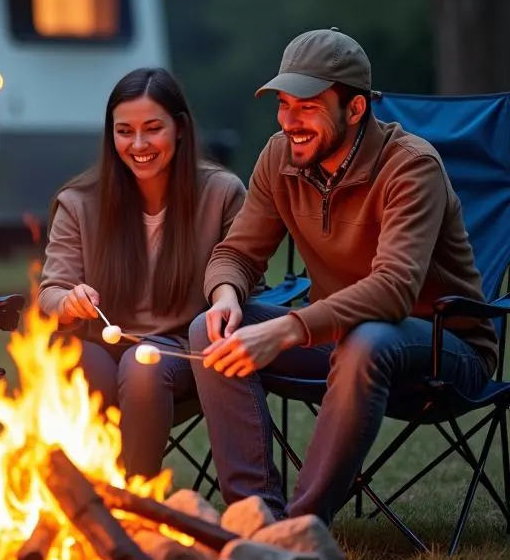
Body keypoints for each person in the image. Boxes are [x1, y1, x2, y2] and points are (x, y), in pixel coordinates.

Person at [189, 28, 497, 526]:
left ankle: (301, 527)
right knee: (208, 328)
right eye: (284, 104)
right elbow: (237, 254)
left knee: (369, 339)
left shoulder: (411, 166)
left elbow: (395, 288)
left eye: (307, 107)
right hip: (342, 341)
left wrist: (289, 328)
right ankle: (255, 517)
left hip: (446, 348)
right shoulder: (278, 157)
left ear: (354, 110)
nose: (289, 121)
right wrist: (226, 296)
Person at [38, 67, 246, 479]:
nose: (138, 144)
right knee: (71, 360)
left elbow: (243, 270)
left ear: (180, 128)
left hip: (182, 350)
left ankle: (136, 501)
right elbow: (51, 293)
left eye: (152, 129)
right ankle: (84, 502)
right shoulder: (79, 201)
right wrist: (68, 301)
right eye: (124, 131)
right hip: (101, 340)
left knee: (143, 365)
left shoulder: (221, 193)